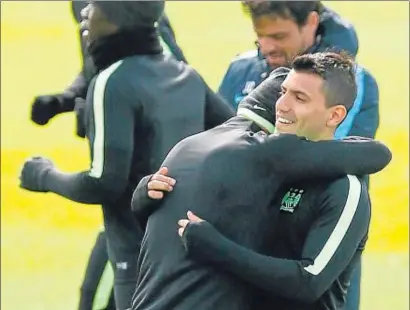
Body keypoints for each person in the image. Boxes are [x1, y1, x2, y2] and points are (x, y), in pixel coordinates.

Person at [129, 53, 391, 310]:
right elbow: (173, 231)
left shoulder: (343, 188)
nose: (283, 105)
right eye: (283, 92)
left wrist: (216, 247)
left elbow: (309, 281)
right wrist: (143, 198)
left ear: (334, 116)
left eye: (299, 97)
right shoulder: (262, 170)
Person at [18, 2, 234, 310]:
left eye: (93, 7)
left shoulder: (112, 83)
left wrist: (43, 175)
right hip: (189, 258)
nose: (84, 12)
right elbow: (238, 135)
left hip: (136, 261)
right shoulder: (186, 75)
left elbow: (104, 182)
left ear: (118, 20)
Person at [219, 3, 379, 307]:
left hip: (319, 242)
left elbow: (322, 157)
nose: (268, 47)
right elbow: (213, 145)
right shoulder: (240, 69)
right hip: (245, 249)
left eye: (278, 36)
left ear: (311, 23)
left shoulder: (353, 84)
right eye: (260, 36)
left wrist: (253, 154)